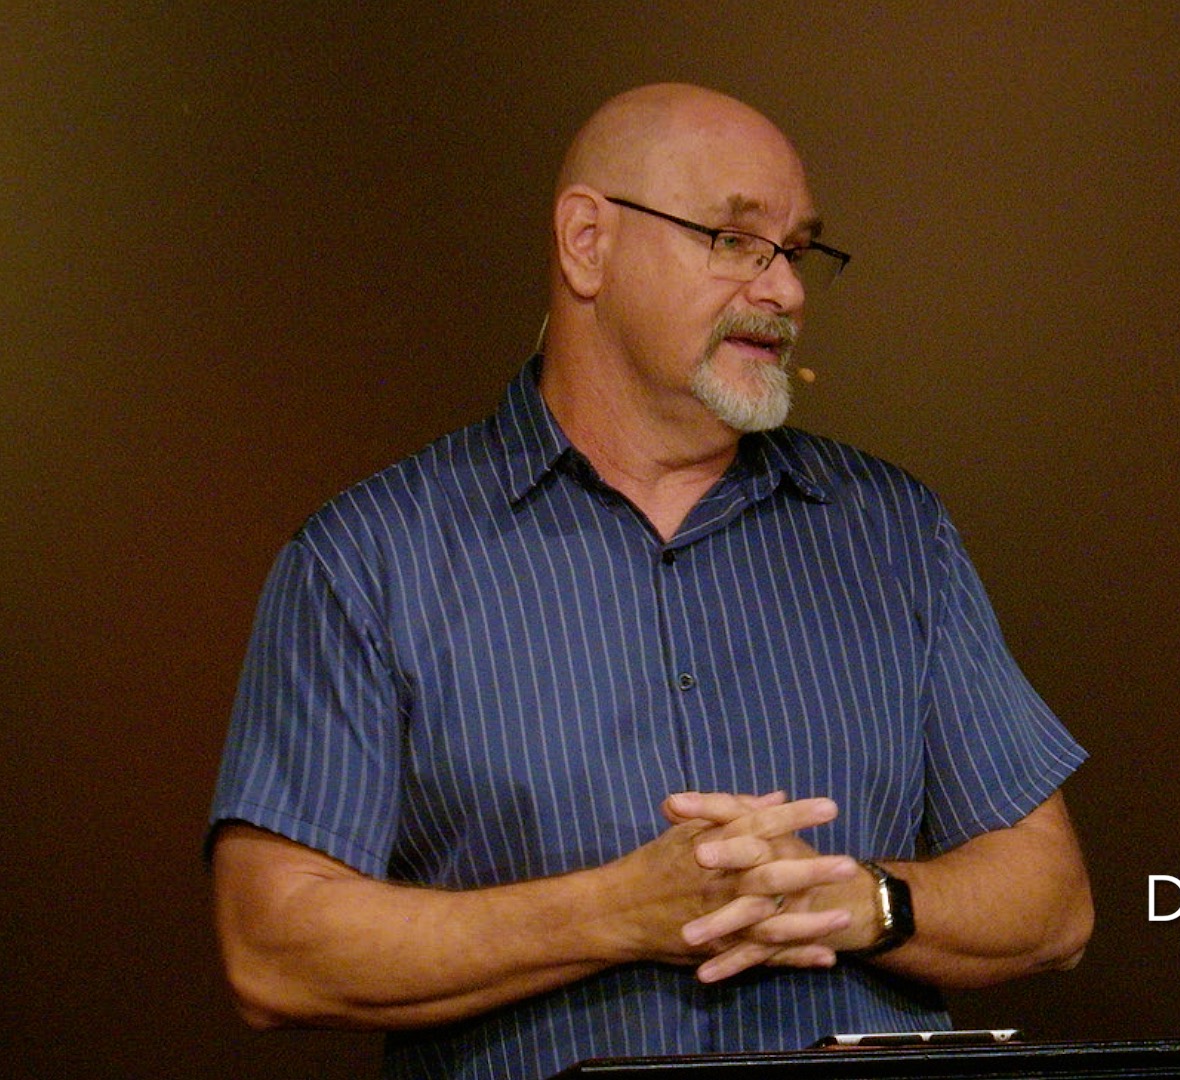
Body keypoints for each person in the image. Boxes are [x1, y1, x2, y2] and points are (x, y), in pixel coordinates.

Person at [208, 83, 1093, 1080]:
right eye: (735, 240)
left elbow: (1050, 900)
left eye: (796, 251)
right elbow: (274, 950)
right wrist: (614, 914)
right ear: (587, 243)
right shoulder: (369, 558)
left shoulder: (892, 532)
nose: (785, 291)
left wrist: (861, 901)